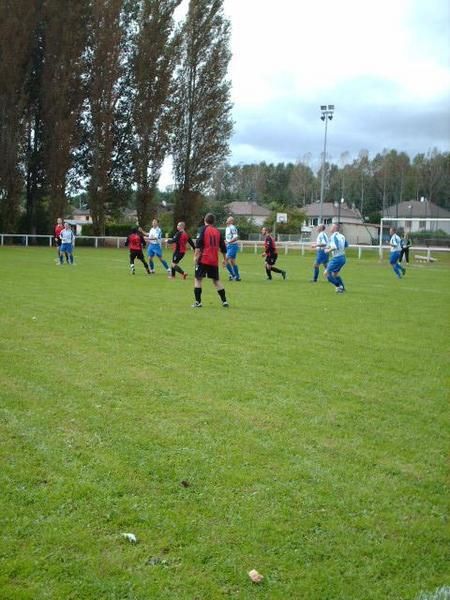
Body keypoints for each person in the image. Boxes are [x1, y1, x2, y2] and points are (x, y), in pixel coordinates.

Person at [192, 213, 229, 308]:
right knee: (216, 280)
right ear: (214, 221)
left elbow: (199, 244)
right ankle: (224, 301)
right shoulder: (217, 231)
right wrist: (225, 259)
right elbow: (223, 247)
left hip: (203, 258)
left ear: (205, 220)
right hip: (214, 260)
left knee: (198, 279)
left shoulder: (202, 229)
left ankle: (198, 302)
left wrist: (196, 257)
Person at [324, 223, 347, 293]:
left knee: (326, 273)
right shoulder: (342, 236)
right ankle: (342, 287)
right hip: (343, 257)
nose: (330, 228)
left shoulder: (333, 236)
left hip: (337, 258)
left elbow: (334, 247)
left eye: (331, 227)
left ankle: (338, 286)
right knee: (335, 274)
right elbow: (346, 245)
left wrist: (328, 250)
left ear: (335, 228)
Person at [225, 216, 241, 281]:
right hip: (229, 246)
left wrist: (229, 242)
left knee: (225, 260)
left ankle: (233, 275)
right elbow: (228, 237)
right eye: (227, 219)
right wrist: (226, 241)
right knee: (232, 262)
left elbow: (236, 237)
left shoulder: (232, 227)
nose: (227, 220)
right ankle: (237, 276)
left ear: (231, 221)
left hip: (233, 246)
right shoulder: (227, 228)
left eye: (229, 220)